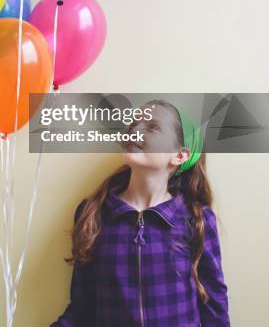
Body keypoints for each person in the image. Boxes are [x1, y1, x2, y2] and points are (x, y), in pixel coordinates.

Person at [50, 99, 230, 326]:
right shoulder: (93, 214)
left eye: (152, 126)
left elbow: (215, 306)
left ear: (179, 155)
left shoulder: (197, 219)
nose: (135, 130)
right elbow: (82, 307)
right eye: (133, 123)